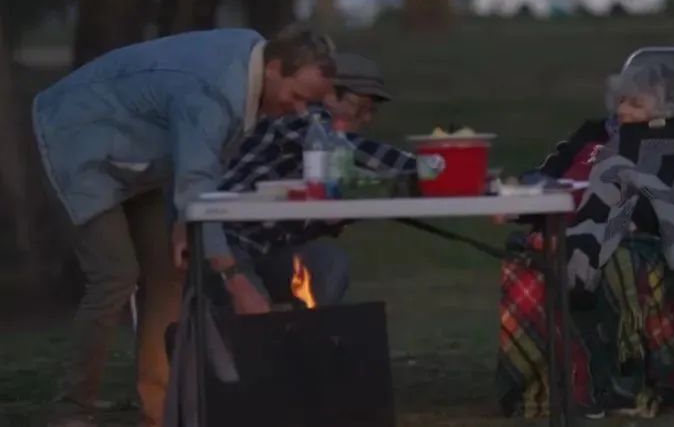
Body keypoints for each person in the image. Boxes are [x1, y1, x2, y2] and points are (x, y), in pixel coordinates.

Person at [33, 26, 337, 427]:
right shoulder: (213, 91)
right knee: (115, 274)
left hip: (135, 153)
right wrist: (234, 278)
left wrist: (183, 222)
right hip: (77, 137)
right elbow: (197, 178)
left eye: (308, 103)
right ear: (277, 67)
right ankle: (72, 407)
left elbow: (198, 161)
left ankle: (159, 407)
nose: (299, 111)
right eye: (297, 97)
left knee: (167, 272)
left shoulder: (250, 64)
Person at [496, 63, 674, 420]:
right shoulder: (595, 135)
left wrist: (640, 217)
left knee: (602, 260)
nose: (623, 111)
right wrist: (519, 205)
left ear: (667, 107)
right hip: (581, 228)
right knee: (537, 261)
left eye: (635, 105)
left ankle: (621, 375)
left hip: (657, 246)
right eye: (620, 102)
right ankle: (564, 384)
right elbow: (550, 179)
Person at [216, 53, 416, 308]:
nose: (367, 119)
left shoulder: (330, 153)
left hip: (268, 250)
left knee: (329, 263)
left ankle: (309, 338)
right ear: (330, 96)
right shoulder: (297, 119)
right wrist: (433, 169)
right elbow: (364, 152)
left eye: (372, 112)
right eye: (363, 108)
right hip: (224, 245)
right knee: (254, 318)